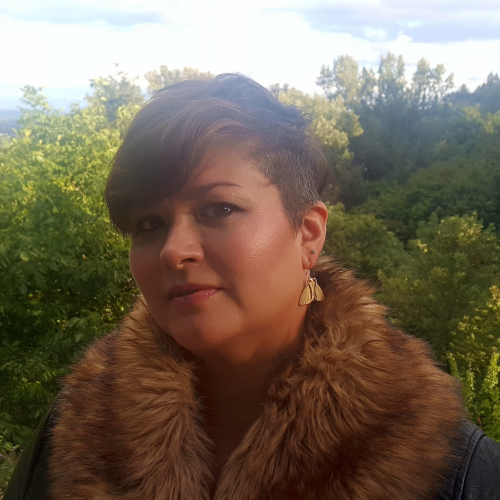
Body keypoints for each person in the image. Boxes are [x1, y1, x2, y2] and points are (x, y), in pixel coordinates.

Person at [5, 74, 500, 500]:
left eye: (218, 209)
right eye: (149, 224)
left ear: (308, 234)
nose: (174, 251)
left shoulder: (451, 467)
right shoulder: (80, 429)